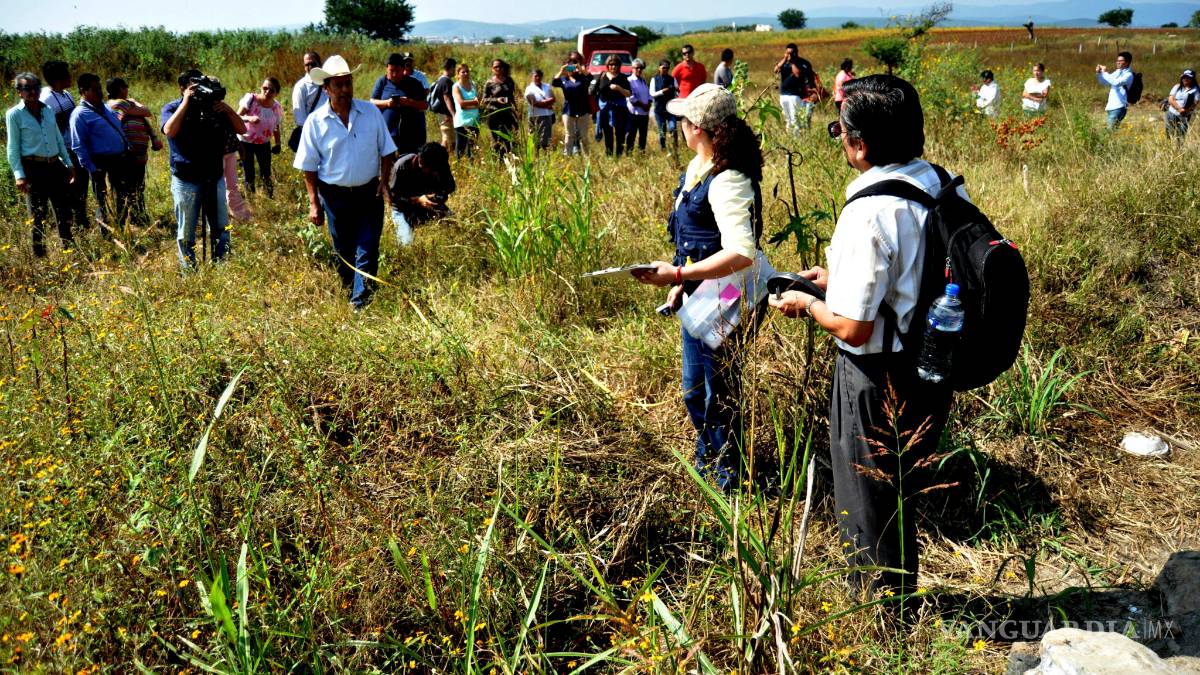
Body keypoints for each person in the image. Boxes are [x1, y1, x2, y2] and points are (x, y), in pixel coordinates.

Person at [768, 74, 967, 601]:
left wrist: (808, 302)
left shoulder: (867, 211)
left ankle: (879, 609)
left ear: (859, 145)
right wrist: (836, 278)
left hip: (876, 376)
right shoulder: (941, 183)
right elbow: (915, 270)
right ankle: (898, 595)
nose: (840, 141)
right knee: (903, 488)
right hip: (932, 360)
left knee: (869, 495)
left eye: (840, 131)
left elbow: (853, 327)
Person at [631, 83, 766, 491]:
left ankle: (728, 478)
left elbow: (741, 252)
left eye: (684, 121)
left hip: (728, 296)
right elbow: (696, 240)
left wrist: (677, 276)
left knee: (718, 390)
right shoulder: (699, 168)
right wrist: (682, 279)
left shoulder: (728, 180)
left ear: (698, 128)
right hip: (701, 291)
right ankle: (708, 461)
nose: (680, 126)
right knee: (695, 389)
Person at [294, 55, 396, 310]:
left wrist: (384, 182)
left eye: (348, 83)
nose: (345, 89)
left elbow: (387, 151)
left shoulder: (371, 113)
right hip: (334, 197)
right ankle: (351, 289)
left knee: (368, 247)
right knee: (343, 251)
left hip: (369, 193)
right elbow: (308, 166)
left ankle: (360, 305)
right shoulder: (315, 122)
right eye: (338, 85)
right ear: (326, 89)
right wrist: (314, 203)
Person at [162, 69, 247, 267]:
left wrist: (227, 109)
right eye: (193, 87)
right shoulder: (173, 107)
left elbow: (242, 129)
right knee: (186, 232)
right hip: (186, 179)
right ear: (182, 88)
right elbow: (169, 130)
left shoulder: (214, 108)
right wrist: (186, 102)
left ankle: (222, 265)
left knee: (221, 227)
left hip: (214, 176)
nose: (198, 91)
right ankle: (189, 271)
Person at [7, 72, 76, 256]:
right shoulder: (14, 115)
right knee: (37, 215)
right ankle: (40, 255)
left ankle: (69, 250)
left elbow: (58, 138)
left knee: (63, 211)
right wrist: (19, 175)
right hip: (33, 168)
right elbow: (12, 148)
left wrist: (68, 163)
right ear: (19, 91)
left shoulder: (47, 110)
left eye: (36, 87)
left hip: (55, 166)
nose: (32, 92)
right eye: (27, 88)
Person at [70, 72, 137, 231]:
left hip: (118, 159)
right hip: (99, 162)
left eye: (100, 88)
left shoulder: (105, 107)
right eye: (95, 89)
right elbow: (78, 146)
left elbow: (117, 128)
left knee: (122, 197)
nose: (100, 92)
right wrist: (92, 169)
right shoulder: (79, 115)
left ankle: (122, 230)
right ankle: (106, 234)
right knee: (103, 201)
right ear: (83, 91)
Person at [40, 60, 89, 232]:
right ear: (58, 78)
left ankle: (82, 220)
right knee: (71, 189)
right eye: (67, 74)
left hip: (76, 147)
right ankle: (75, 224)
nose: (71, 77)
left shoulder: (66, 94)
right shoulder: (46, 99)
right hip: (65, 151)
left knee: (82, 186)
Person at [106, 77, 163, 227]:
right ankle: (125, 222)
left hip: (137, 155)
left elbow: (144, 118)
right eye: (126, 87)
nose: (127, 90)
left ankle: (138, 218)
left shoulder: (126, 105)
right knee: (126, 189)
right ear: (120, 89)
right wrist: (134, 102)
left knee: (137, 188)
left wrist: (153, 137)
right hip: (127, 155)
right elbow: (146, 111)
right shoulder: (120, 104)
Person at [389, 142, 456, 244]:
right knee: (407, 243)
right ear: (421, 162)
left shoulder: (439, 163)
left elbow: (450, 187)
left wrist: (439, 194)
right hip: (403, 208)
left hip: (429, 204)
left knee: (456, 228)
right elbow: (393, 198)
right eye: (432, 170)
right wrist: (418, 199)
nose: (435, 173)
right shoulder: (402, 166)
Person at [370, 53, 428, 156]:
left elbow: (425, 105)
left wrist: (409, 102)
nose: (394, 74)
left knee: (408, 162)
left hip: (410, 136)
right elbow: (372, 102)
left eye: (397, 71)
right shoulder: (382, 82)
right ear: (387, 69)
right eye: (391, 71)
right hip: (387, 134)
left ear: (403, 69)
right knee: (387, 162)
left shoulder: (414, 83)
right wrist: (387, 103)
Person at [236, 77, 283, 196]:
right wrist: (249, 118)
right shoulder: (251, 99)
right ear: (261, 88)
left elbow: (276, 126)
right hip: (246, 142)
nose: (267, 91)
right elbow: (237, 117)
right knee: (249, 173)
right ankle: (251, 200)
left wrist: (278, 143)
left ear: (276, 93)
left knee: (266, 173)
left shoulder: (276, 107)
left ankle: (269, 199)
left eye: (271, 90)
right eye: (265, 88)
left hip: (264, 143)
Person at [552, 51, 593, 156]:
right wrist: (561, 70)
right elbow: (554, 82)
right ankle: (567, 155)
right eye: (569, 67)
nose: (571, 69)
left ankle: (587, 157)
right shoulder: (563, 80)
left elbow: (591, 78)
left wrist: (580, 69)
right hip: (568, 110)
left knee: (583, 136)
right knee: (569, 135)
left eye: (573, 67)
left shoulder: (583, 78)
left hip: (583, 110)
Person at [591, 55, 631, 157]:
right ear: (607, 65)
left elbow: (629, 94)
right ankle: (609, 156)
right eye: (611, 64)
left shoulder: (622, 77)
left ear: (619, 66)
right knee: (607, 134)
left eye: (616, 64)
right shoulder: (602, 76)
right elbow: (593, 91)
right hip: (605, 108)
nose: (613, 66)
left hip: (619, 109)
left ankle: (618, 157)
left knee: (620, 134)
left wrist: (619, 88)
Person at [774, 44, 815, 133]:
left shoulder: (801, 63)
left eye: (791, 53)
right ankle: (789, 135)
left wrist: (792, 62)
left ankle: (796, 136)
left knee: (795, 118)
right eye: (787, 53)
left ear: (796, 53)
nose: (790, 55)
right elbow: (776, 70)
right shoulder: (784, 63)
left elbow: (797, 74)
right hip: (783, 95)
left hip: (795, 95)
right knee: (787, 119)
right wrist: (784, 59)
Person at [290, 51, 327, 147]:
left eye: (313, 64)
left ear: (320, 64)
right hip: (313, 134)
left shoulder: (328, 82)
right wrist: (309, 140)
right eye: (307, 65)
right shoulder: (301, 86)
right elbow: (300, 118)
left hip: (329, 130)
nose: (310, 67)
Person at [482, 59, 518, 156]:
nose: (498, 69)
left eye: (500, 66)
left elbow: (512, 97)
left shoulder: (509, 81)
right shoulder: (489, 83)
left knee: (508, 139)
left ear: (503, 68)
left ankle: (508, 159)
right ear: (492, 69)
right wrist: (496, 100)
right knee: (497, 141)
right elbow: (484, 99)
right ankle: (498, 161)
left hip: (507, 114)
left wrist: (516, 111)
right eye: (495, 67)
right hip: (494, 115)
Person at [1096, 51, 1134, 130]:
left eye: (1120, 61)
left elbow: (1116, 83)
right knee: (1112, 132)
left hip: (1119, 107)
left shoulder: (1129, 75)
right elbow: (1104, 82)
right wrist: (1099, 73)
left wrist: (1104, 72)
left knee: (1110, 132)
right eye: (1117, 60)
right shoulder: (1117, 72)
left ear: (1127, 62)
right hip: (1111, 106)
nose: (1117, 62)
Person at [451, 63, 481, 159]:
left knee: (472, 149)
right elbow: (461, 103)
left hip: (475, 121)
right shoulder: (456, 87)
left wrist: (473, 104)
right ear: (458, 74)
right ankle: (458, 166)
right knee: (460, 149)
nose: (466, 73)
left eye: (467, 71)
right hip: (462, 121)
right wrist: (475, 102)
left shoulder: (474, 85)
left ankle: (472, 167)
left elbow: (480, 101)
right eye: (463, 72)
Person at [524, 69, 556, 151]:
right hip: (534, 116)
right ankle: (535, 155)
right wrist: (547, 105)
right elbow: (533, 103)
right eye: (536, 76)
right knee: (534, 138)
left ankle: (544, 154)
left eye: (539, 76)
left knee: (546, 139)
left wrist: (542, 103)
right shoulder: (529, 89)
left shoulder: (547, 86)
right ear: (532, 77)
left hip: (547, 115)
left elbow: (553, 99)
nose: (538, 78)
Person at [650, 59, 678, 151]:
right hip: (659, 109)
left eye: (667, 68)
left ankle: (674, 147)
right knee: (662, 130)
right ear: (659, 68)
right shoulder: (654, 79)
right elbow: (652, 93)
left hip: (670, 109)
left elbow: (677, 91)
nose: (665, 69)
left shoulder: (672, 79)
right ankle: (663, 148)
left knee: (673, 128)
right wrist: (662, 91)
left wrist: (676, 93)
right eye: (663, 68)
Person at [429, 58, 457, 149]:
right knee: (447, 139)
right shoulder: (446, 81)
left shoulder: (440, 79)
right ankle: (440, 155)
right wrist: (453, 114)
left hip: (443, 114)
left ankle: (447, 155)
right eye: (455, 68)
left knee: (450, 139)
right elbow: (446, 98)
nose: (455, 71)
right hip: (446, 115)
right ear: (451, 68)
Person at [625, 59, 652, 153]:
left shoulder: (643, 80)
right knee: (631, 134)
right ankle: (629, 153)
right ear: (632, 69)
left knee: (643, 135)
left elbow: (648, 94)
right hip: (634, 113)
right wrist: (642, 105)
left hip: (644, 113)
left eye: (641, 68)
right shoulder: (629, 80)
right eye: (637, 68)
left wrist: (649, 103)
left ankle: (641, 153)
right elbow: (631, 97)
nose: (639, 70)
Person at [1164, 69, 1197, 143]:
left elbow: (1195, 102)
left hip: (1185, 115)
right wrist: (1179, 109)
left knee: (1181, 135)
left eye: (1188, 77)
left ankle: (1179, 148)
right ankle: (1169, 147)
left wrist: (1186, 111)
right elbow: (1170, 99)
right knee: (1169, 134)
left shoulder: (1196, 90)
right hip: (1172, 113)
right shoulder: (1177, 86)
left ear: (1192, 79)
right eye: (1184, 77)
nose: (1185, 79)